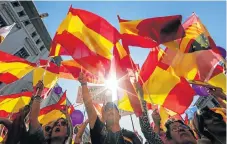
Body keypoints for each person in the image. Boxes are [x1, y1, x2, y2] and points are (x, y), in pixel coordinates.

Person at [78, 72, 142, 144]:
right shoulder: (99, 132)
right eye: (107, 109)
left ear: (119, 116)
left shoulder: (131, 136)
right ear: (104, 116)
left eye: (113, 107)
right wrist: (84, 84)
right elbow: (89, 107)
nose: (110, 109)